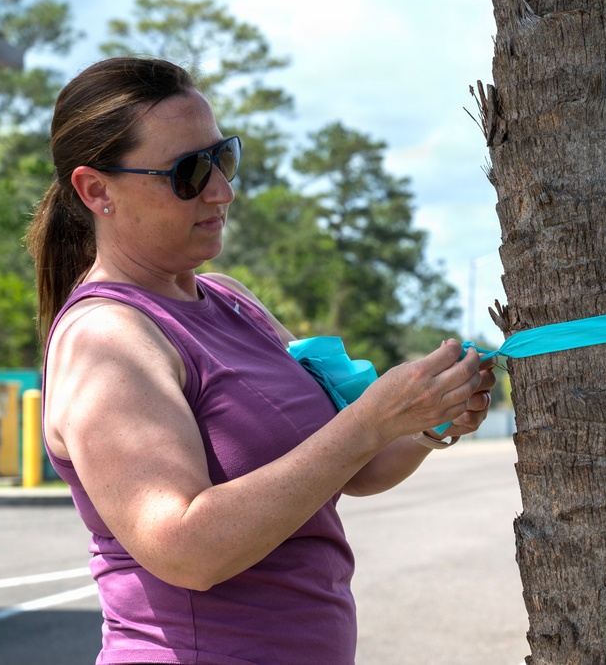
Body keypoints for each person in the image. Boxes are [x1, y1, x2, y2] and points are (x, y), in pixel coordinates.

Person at [25, 57, 496, 665]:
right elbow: (186, 551)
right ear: (96, 191)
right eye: (188, 173)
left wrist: (431, 420)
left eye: (222, 158)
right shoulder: (106, 338)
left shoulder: (231, 299)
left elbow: (356, 466)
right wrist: (374, 418)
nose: (222, 189)